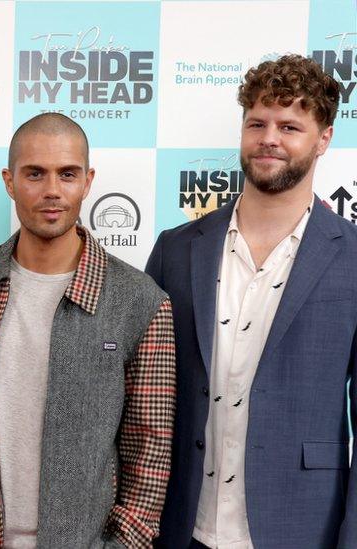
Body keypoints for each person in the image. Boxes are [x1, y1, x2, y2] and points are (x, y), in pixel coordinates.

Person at [147, 54, 357, 548]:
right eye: (257, 123)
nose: (270, 138)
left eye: (290, 126)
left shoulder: (352, 258)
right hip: (181, 527)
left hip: (302, 527)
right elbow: (142, 400)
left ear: (323, 139)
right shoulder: (176, 249)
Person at [0, 113, 176, 548]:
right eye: (35, 173)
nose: (52, 190)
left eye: (67, 174)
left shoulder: (140, 301)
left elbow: (150, 450)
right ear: (9, 181)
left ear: (88, 181)